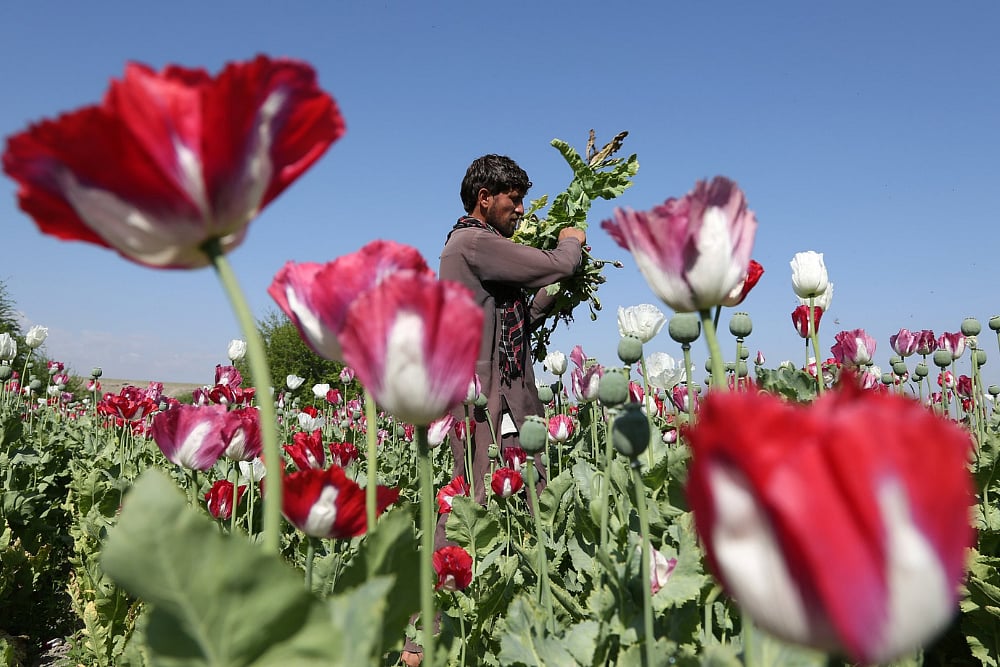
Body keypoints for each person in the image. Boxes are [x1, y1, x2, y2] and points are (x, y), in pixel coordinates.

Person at [400, 154, 585, 666]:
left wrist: (558, 289)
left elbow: (523, 308)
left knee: (530, 495)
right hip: (485, 399)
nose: (522, 210)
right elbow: (557, 262)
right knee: (469, 506)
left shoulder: (475, 250)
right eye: (514, 199)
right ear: (486, 197)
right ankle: (420, 641)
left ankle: (544, 615)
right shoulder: (475, 242)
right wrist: (571, 240)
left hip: (505, 392)